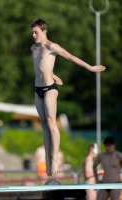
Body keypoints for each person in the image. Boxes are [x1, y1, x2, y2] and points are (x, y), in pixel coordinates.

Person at [30, 18, 106, 177]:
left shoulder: (52, 46)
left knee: (51, 121)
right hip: (37, 89)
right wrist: (52, 73)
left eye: (36, 32)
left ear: (44, 32)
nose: (34, 35)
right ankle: (48, 158)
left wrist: (90, 67)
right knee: (44, 123)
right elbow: (41, 68)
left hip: (50, 88)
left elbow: (70, 56)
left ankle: (55, 156)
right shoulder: (33, 48)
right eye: (32, 33)